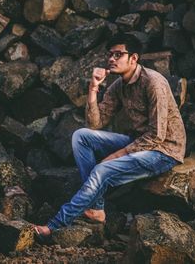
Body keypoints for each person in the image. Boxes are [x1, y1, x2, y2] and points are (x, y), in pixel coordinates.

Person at [34, 33, 186, 239]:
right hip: (139, 142)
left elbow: (157, 136)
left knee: (103, 169)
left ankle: (55, 225)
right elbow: (95, 124)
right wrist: (93, 88)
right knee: (81, 136)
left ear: (134, 58)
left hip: (164, 151)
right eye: (110, 55)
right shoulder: (118, 86)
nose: (111, 59)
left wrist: (116, 156)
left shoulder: (154, 83)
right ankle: (96, 207)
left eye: (118, 54)